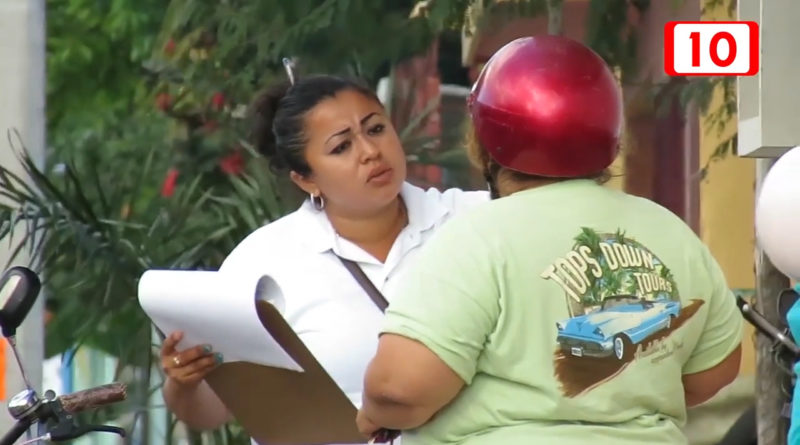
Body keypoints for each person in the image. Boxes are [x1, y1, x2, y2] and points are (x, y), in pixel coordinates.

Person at [357, 35, 744, 445]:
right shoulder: (671, 231)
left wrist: (375, 413)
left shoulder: (479, 237)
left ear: (486, 139)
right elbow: (714, 371)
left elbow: (400, 388)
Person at [157, 70, 488, 443]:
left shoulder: (477, 220)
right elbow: (215, 410)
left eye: (376, 129)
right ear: (306, 179)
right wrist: (184, 382)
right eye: (341, 147)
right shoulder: (260, 263)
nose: (370, 151)